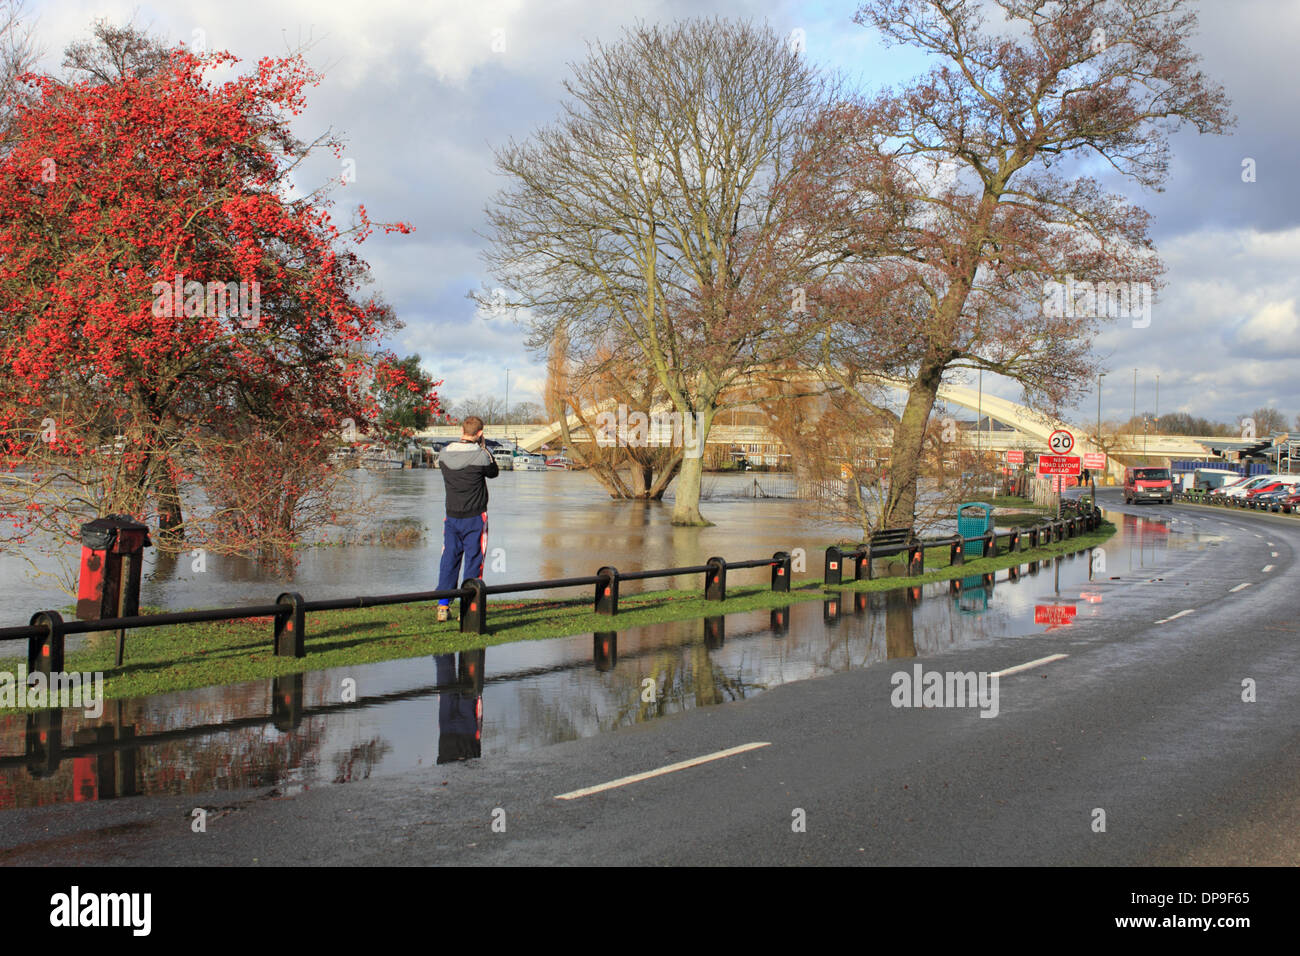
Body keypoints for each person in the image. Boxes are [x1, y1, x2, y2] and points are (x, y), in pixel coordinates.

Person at [436, 416, 499, 622]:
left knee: (449, 559)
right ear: (480, 433)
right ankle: (469, 607)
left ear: (461, 430)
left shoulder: (444, 454)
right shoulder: (481, 455)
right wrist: (484, 447)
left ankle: (443, 605)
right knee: (474, 560)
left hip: (452, 516)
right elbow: (494, 472)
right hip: (475, 516)